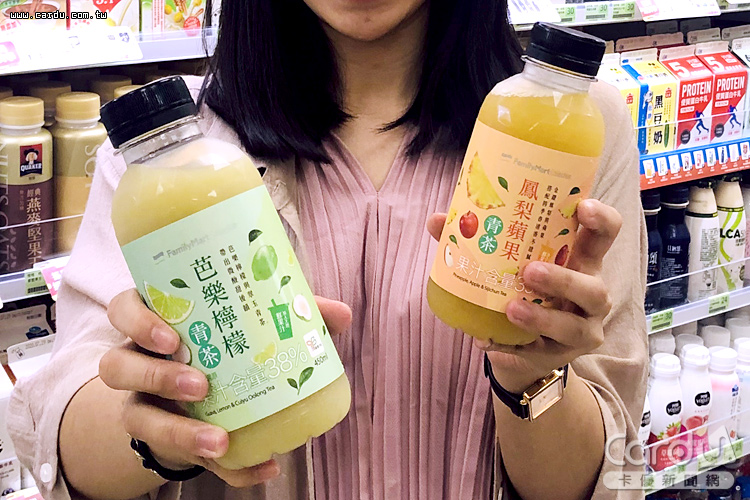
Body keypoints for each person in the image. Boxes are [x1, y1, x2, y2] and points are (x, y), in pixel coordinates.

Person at [8, 1, 648, 499]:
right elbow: (68, 442)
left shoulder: (567, 129)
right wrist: (164, 431)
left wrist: (530, 374)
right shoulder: (172, 155)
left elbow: (594, 476)